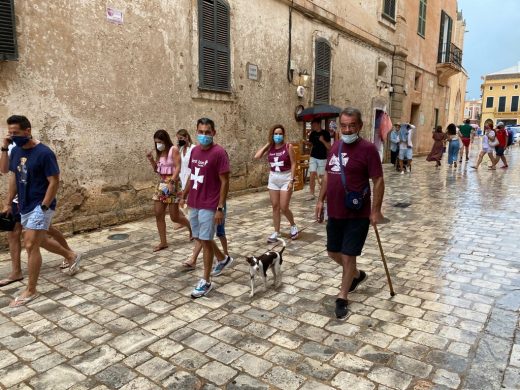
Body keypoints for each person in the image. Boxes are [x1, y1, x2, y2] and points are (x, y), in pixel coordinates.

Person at [3, 115, 81, 307]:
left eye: (17, 133)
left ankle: (31, 289)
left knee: (30, 244)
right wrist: (7, 202)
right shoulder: (15, 151)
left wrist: (44, 206)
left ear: (28, 131)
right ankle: (71, 256)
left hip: (41, 204)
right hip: (24, 204)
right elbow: (11, 175)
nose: (13, 136)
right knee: (42, 240)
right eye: (10, 133)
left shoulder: (44, 153)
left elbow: (54, 181)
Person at [315, 107, 384, 319]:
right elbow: (328, 174)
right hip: (335, 210)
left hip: (357, 212)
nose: (347, 129)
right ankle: (356, 274)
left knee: (348, 254)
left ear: (360, 126)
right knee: (332, 252)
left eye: (351, 125)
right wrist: (320, 200)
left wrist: (376, 211)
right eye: (344, 126)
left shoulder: (368, 149)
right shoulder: (335, 146)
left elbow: (378, 180)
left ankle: (342, 296)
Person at [180, 117, 231, 298]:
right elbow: (192, 175)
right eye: (200, 132)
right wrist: (184, 194)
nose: (203, 136)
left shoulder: (219, 153)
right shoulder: (194, 152)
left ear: (213, 133)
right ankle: (223, 259)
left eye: (207, 132)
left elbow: (225, 182)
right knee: (201, 238)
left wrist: (219, 207)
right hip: (194, 201)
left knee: (205, 240)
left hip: (210, 204)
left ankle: (206, 281)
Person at [146, 129, 191, 252]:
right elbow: (158, 169)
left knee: (174, 217)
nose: (158, 144)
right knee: (158, 213)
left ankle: (191, 227)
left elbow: (178, 167)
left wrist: (172, 182)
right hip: (162, 184)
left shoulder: (173, 150)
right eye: (156, 142)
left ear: (165, 140)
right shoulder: (160, 152)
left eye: (160, 142)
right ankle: (163, 242)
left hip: (173, 184)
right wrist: (151, 160)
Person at [254, 124, 299, 243]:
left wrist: (291, 180)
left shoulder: (288, 147)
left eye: (280, 134)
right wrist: (268, 143)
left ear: (283, 135)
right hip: (273, 178)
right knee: (275, 206)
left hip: (286, 177)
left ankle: (293, 225)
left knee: (284, 207)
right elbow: (257, 156)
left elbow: (294, 163)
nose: (278, 136)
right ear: (272, 135)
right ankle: (276, 231)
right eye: (275, 134)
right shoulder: (270, 148)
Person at [174, 129, 195, 230]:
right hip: (182, 177)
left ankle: (192, 224)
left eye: (181, 138)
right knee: (182, 200)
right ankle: (184, 221)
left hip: (191, 177)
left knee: (190, 202)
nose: (180, 140)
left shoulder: (193, 149)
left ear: (187, 137)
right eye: (178, 139)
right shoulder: (181, 150)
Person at [307, 119, 331, 200]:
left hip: (322, 157)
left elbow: (329, 147)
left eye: (314, 125)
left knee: (322, 177)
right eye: (312, 125)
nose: (313, 126)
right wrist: (307, 143)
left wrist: (322, 140)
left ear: (318, 124)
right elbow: (311, 144)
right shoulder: (312, 133)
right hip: (313, 156)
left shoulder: (325, 133)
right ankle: (311, 194)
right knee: (312, 174)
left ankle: (324, 194)